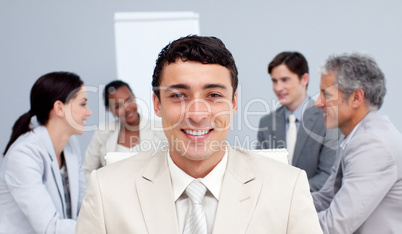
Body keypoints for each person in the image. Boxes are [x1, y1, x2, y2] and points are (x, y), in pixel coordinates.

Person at [76, 35, 322, 233]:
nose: (196, 114)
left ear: (234, 103)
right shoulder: (106, 190)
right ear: (157, 104)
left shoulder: (287, 188)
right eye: (178, 95)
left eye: (214, 95)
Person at [312, 53, 402, 233]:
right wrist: (283, 205)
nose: (318, 103)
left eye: (326, 94)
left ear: (356, 98)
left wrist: (278, 224)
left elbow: (334, 225)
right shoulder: (355, 136)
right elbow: (327, 197)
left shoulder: (372, 145)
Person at [0, 72, 91, 233]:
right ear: (59, 108)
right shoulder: (23, 154)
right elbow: (51, 228)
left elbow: (85, 207)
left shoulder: (70, 145)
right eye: (83, 104)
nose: (88, 112)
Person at [257, 51, 338, 191]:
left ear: (304, 79)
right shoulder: (267, 123)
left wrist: (290, 194)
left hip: (314, 207)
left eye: (285, 80)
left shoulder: (327, 120)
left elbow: (327, 176)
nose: (278, 88)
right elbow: (260, 171)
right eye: (274, 81)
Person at [83, 80, 165, 181]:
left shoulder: (160, 129)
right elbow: (87, 172)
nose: (127, 108)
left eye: (129, 100)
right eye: (118, 106)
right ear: (111, 109)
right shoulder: (103, 133)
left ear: (134, 97)